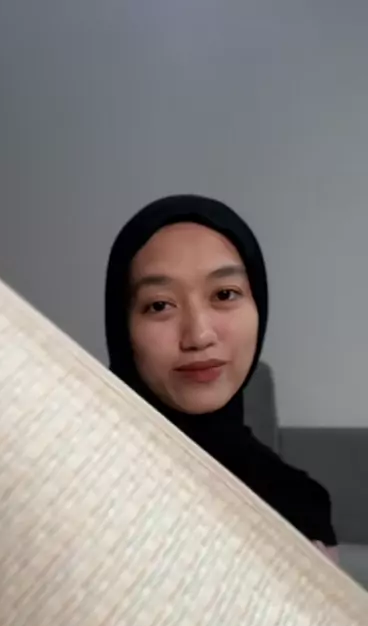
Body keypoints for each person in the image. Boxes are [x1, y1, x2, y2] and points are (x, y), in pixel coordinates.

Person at [105, 194, 338, 558]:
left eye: (225, 294)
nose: (199, 336)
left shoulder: (299, 503)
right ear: (123, 329)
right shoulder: (77, 476)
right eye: (160, 304)